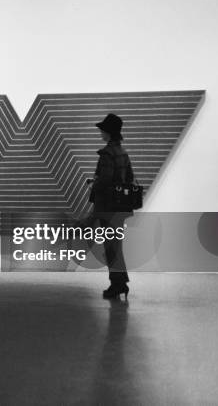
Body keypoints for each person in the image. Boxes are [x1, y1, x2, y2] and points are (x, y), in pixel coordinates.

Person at [89, 113, 134, 299]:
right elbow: (128, 178)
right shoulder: (123, 153)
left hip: (108, 207)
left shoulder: (107, 154)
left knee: (111, 247)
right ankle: (120, 282)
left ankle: (117, 284)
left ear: (108, 132)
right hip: (121, 207)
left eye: (102, 130)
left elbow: (105, 180)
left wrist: (94, 183)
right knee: (116, 245)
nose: (100, 132)